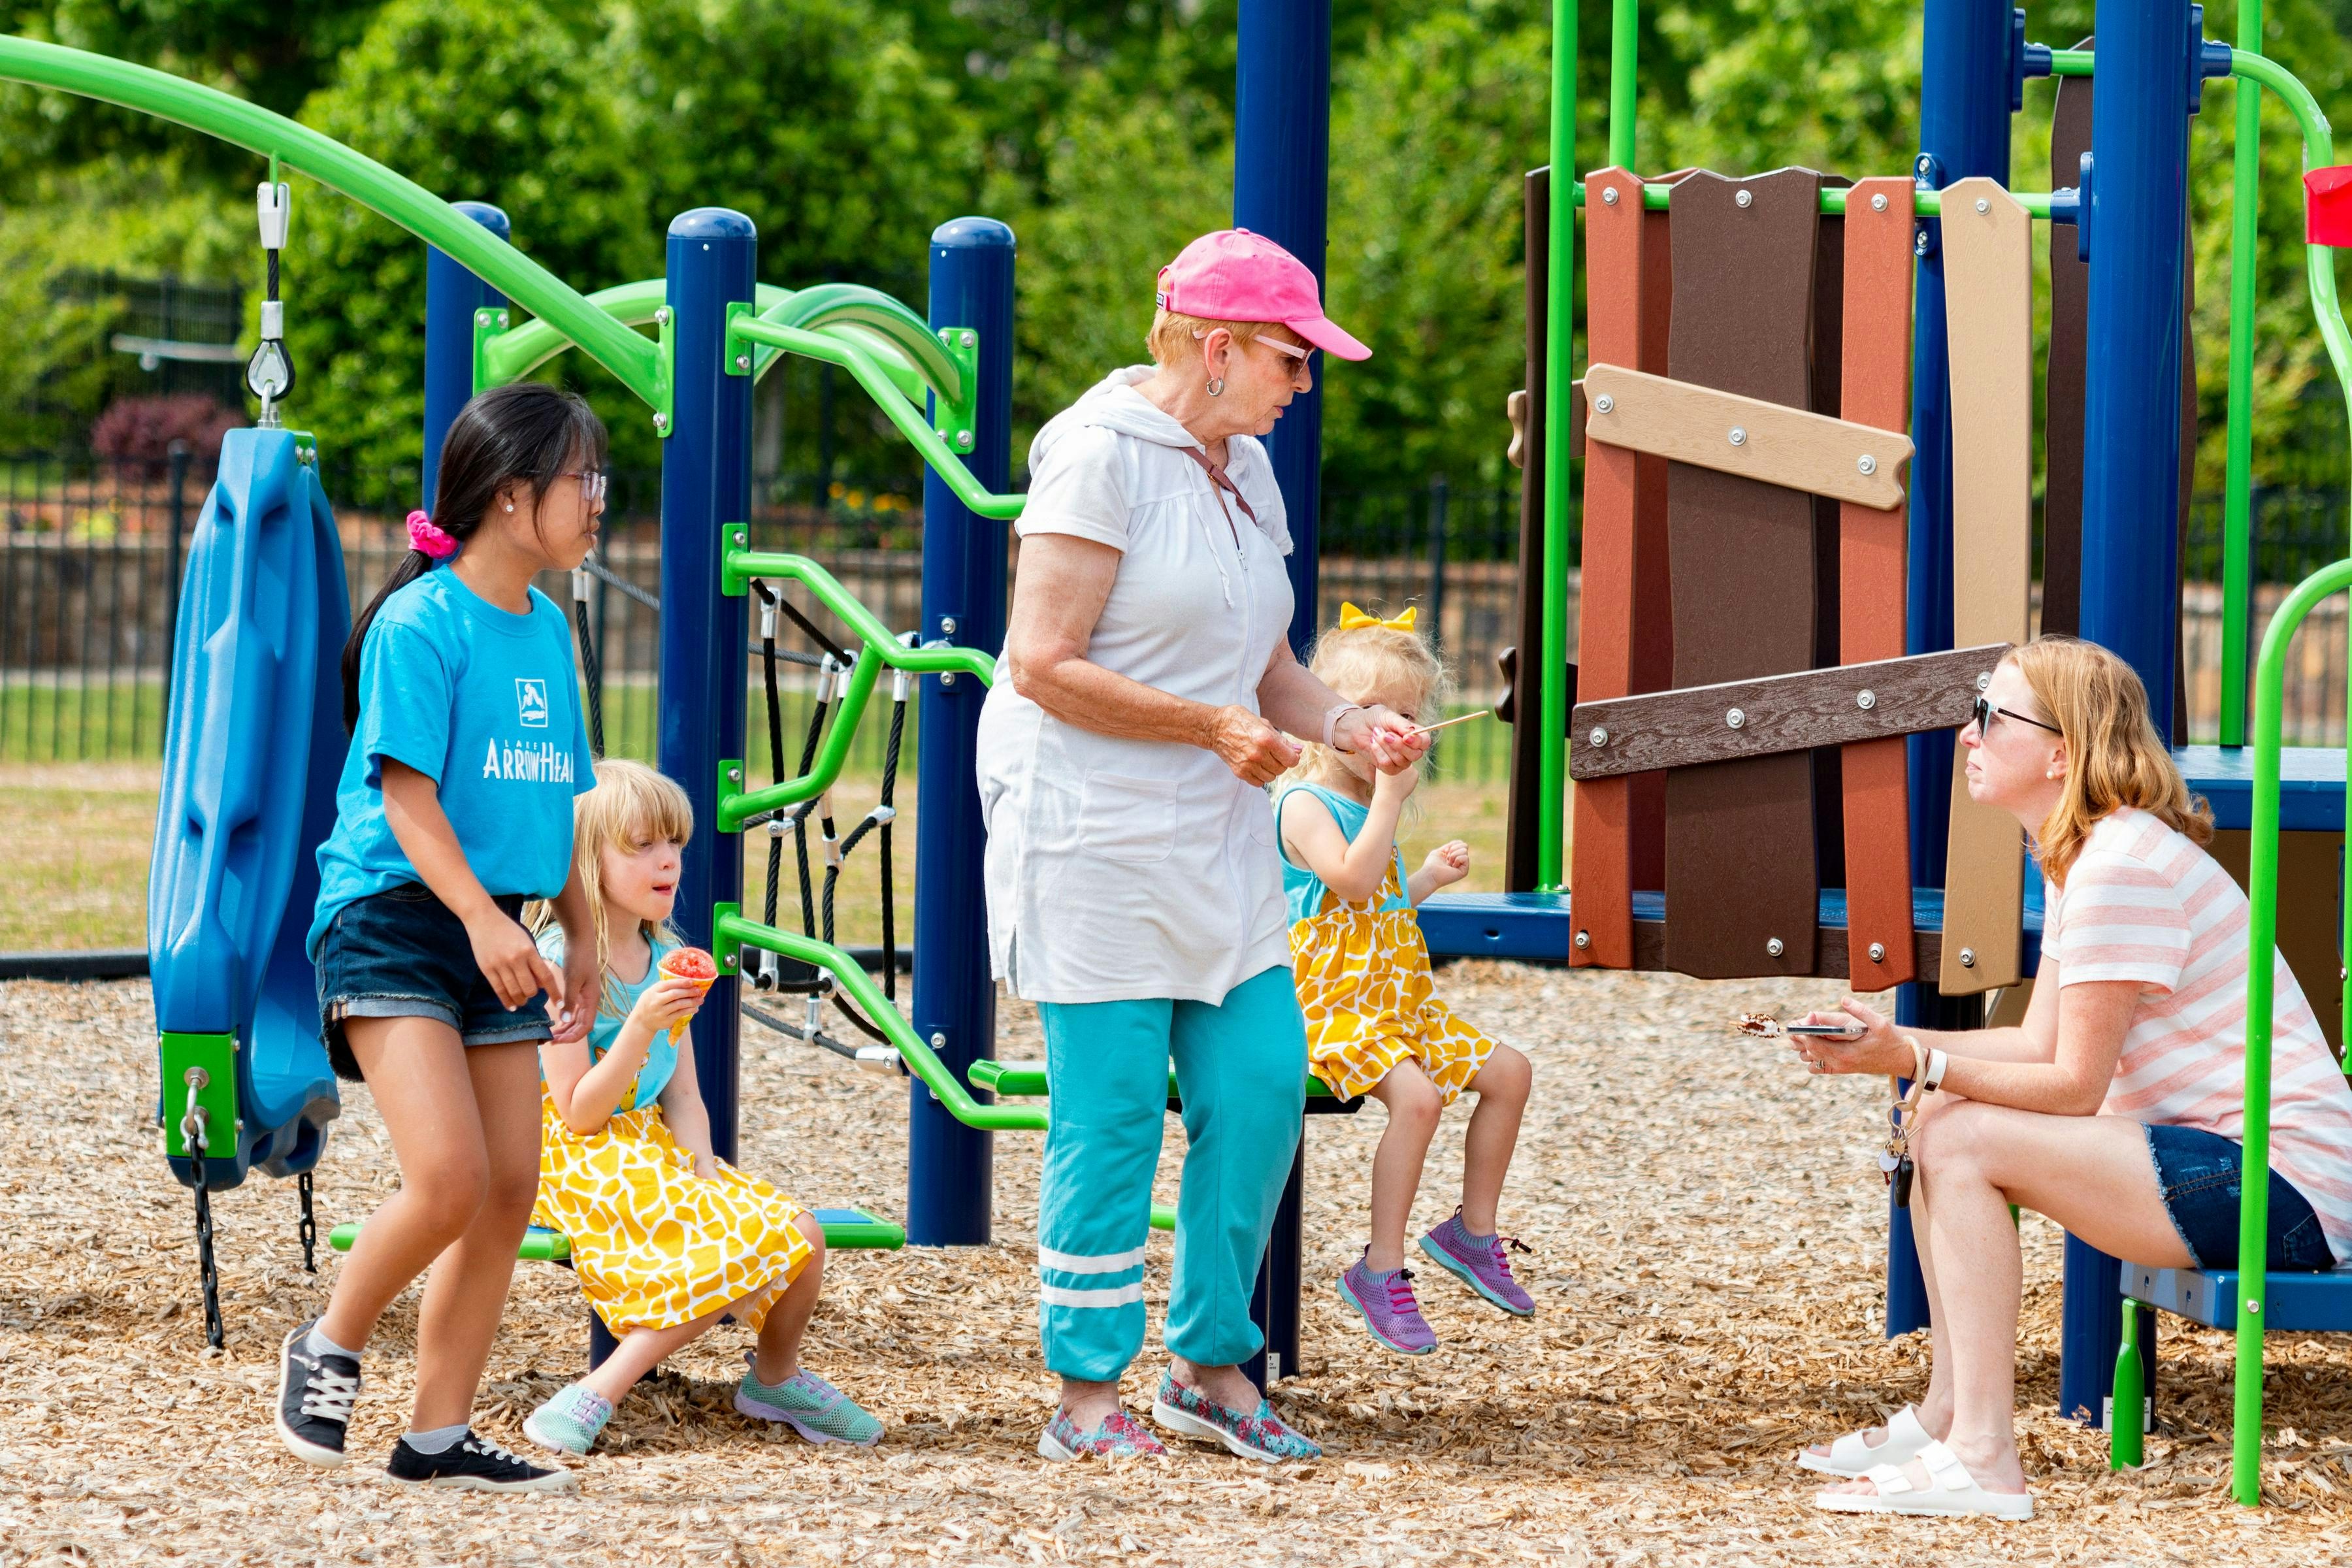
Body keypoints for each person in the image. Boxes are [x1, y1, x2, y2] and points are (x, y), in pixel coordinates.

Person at [979, 227, 1426, 1461]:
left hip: (1213, 839)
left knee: (1261, 1087)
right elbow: (1043, 663)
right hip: (1096, 839)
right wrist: (1210, 727)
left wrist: (1345, 720)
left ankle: (1207, 1361)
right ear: (1218, 348)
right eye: (1292, 359)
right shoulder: (1095, 457)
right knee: (1111, 1116)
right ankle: (1084, 1396)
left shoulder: (1245, 465)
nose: (1304, 384)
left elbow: (1267, 663)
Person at [1790, 635, 2352, 1521]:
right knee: (1941, 1112)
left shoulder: (2121, 866)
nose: (1967, 736)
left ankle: (1983, 1456)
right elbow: (2037, 1042)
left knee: (1959, 1129)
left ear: (2061, 752)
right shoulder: (2085, 855)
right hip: (2235, 1170)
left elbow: (2071, 1086)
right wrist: (1894, 1042)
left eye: (1990, 717)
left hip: (2284, 1192)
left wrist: (1915, 1059)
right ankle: (1950, 1421)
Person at [278, 383, 607, 1492]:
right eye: (583, 481)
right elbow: (408, 802)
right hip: (395, 917)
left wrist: (584, 931)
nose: (599, 501)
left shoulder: (551, 627)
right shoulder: (422, 627)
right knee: (452, 1176)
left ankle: (435, 1436)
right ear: (515, 498)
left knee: (513, 1183)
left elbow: (560, 792)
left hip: (497, 924)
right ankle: (329, 1341)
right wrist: (480, 921)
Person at [514, 761, 880, 1455]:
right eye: (643, 845)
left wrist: (704, 1171)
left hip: (647, 1144)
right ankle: (599, 1391)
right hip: (573, 1158)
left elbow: (683, 1095)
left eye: (674, 844)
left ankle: (775, 1378)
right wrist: (641, 1024)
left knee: (802, 1233)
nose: (668, 861)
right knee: (731, 1241)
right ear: (585, 861)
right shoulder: (558, 961)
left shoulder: (669, 954)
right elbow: (578, 1111)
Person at [1273, 604, 1536, 1355]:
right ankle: (1379, 1267)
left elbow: (1380, 901)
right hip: (1333, 1009)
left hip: (1399, 1005)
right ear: (1329, 717)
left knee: (1510, 1073)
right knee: (1417, 1100)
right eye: (1373, 710)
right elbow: (1351, 888)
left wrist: (1422, 879)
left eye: (1410, 712)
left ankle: (1470, 1234)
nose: (1395, 725)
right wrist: (1391, 800)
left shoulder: (1363, 802)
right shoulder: (1303, 802)